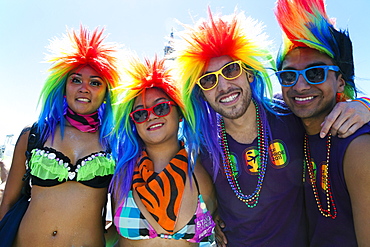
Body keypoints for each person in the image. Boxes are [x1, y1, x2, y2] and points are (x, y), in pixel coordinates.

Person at [172, 8, 370, 246]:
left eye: (231, 69)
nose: (223, 86)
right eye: (208, 80)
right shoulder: (202, 144)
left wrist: (364, 104)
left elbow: (323, 103)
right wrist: (212, 218)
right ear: (202, 94)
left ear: (250, 73)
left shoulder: (287, 112)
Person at [0, 26, 120, 246]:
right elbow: (7, 202)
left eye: (95, 82)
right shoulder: (34, 134)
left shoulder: (115, 144)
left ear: (106, 93)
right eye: (76, 80)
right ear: (63, 86)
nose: (84, 88)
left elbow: (120, 217)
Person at [275, 0, 370, 245]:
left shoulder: (357, 146)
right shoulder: (290, 126)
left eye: (315, 73)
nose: (300, 86)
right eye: (288, 75)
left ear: (340, 81)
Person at [109, 55, 216, 246]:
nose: (150, 116)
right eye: (140, 113)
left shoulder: (204, 167)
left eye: (161, 108)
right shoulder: (121, 175)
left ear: (180, 112)